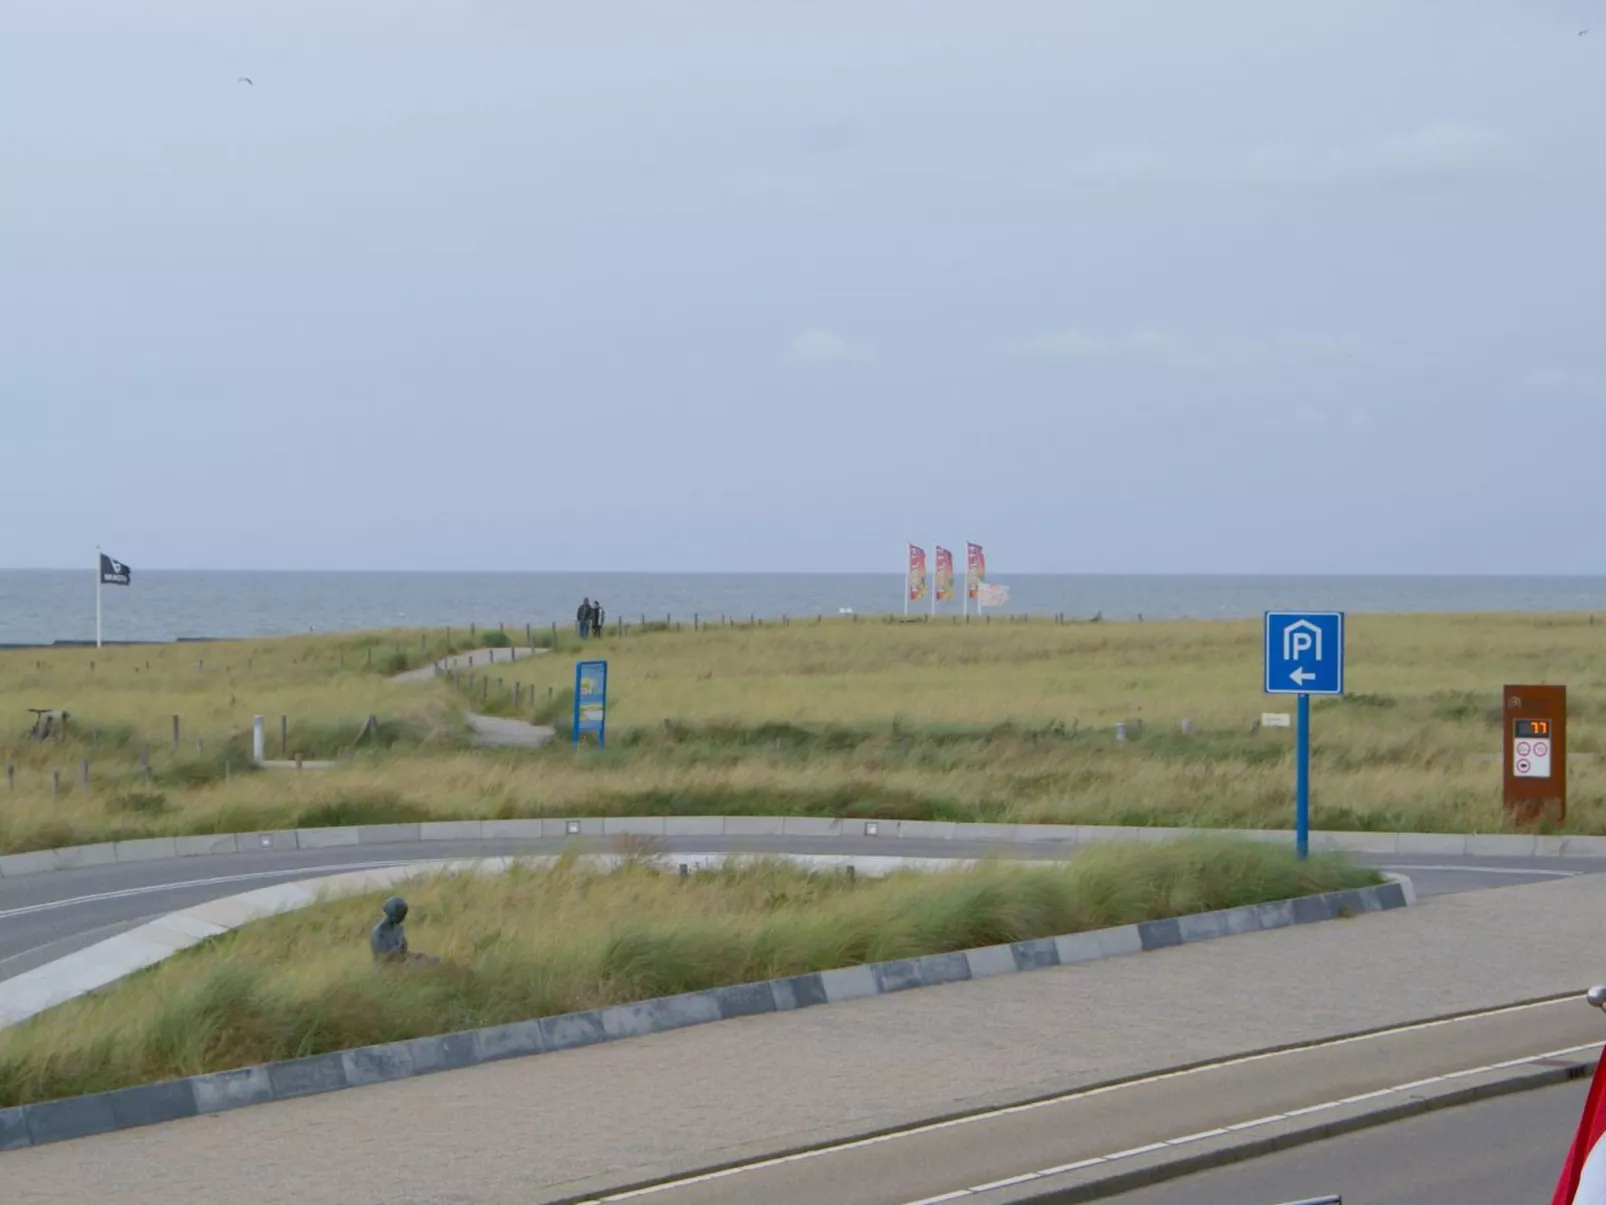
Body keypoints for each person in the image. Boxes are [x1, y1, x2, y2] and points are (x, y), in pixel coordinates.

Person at [370, 896, 439, 965]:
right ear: (394, 915)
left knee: (434, 960)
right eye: (401, 915)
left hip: (402, 960)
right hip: (390, 965)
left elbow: (404, 952)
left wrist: (418, 955)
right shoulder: (378, 932)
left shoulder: (397, 928)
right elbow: (383, 959)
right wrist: (398, 949)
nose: (403, 919)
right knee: (419, 964)